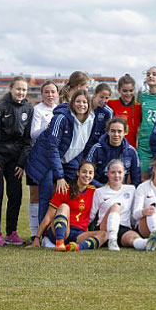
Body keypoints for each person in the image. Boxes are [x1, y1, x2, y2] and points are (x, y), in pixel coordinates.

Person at [25, 89, 95, 224]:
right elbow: (52, 147)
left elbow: (81, 144)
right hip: (46, 159)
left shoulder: (91, 119)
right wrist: (60, 176)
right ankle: (41, 235)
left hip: (68, 159)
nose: (81, 105)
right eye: (78, 101)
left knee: (79, 186)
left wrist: (80, 167)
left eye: (85, 102)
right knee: (46, 194)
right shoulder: (61, 118)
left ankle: (70, 227)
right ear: (72, 103)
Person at [0, 76, 33, 246]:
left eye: (24, 89)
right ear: (11, 89)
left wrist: (21, 163)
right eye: (18, 89)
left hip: (15, 159)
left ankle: (11, 232)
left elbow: (27, 139)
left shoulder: (29, 108)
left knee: (15, 195)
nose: (21, 92)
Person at [87, 160, 156, 251]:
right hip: (104, 228)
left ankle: (148, 244)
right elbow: (91, 215)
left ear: (124, 173)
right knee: (116, 206)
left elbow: (134, 212)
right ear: (107, 174)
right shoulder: (99, 192)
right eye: (113, 172)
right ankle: (112, 240)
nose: (116, 175)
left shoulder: (131, 189)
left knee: (133, 238)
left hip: (123, 227)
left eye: (119, 172)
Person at [26, 162, 96, 251]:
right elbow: (48, 217)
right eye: (84, 172)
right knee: (64, 207)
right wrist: (37, 238)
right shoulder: (64, 189)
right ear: (78, 172)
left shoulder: (94, 192)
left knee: (104, 234)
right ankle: (59, 243)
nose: (87, 175)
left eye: (90, 173)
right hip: (61, 230)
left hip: (79, 234)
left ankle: (77, 247)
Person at [27, 80, 58, 242]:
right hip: (38, 158)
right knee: (35, 195)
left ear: (57, 94)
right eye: (46, 92)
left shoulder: (61, 110)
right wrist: (47, 128)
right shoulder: (37, 110)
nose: (50, 95)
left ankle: (49, 231)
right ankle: (34, 233)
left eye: (53, 92)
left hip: (54, 159)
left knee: (53, 195)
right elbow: (32, 134)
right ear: (42, 94)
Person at [86, 117, 141, 187]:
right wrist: (101, 188)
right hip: (99, 189)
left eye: (119, 131)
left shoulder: (131, 151)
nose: (116, 134)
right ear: (108, 132)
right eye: (113, 131)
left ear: (125, 132)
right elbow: (87, 173)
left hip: (121, 191)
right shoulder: (96, 149)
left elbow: (136, 178)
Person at [107, 74, 141, 148]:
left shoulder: (139, 107)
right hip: (112, 146)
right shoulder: (110, 103)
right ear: (119, 90)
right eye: (125, 91)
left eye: (131, 90)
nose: (128, 94)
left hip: (131, 147)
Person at [85, 83, 114, 155]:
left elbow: (108, 131)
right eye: (101, 97)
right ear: (95, 94)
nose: (104, 100)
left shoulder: (108, 112)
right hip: (83, 144)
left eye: (106, 98)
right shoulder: (85, 106)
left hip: (97, 146)